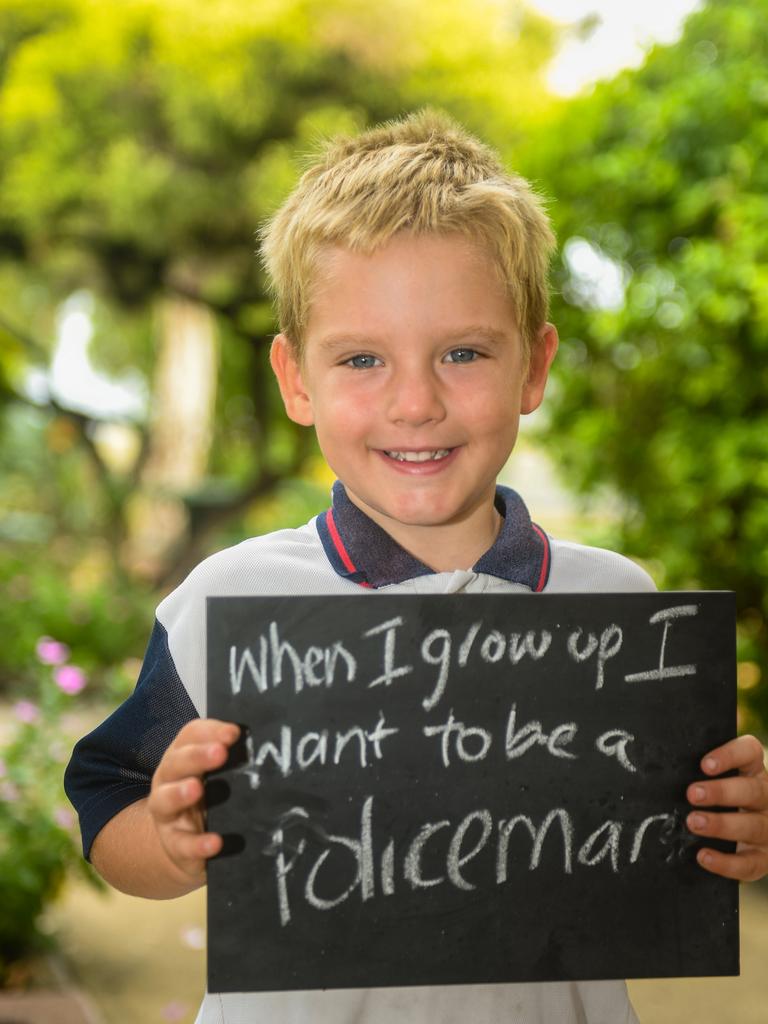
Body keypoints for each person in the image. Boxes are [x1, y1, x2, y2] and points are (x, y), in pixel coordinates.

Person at [65, 110, 768, 1024]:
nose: (415, 402)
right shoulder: (226, 603)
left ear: (534, 367)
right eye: (362, 358)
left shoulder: (624, 616)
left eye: (463, 353)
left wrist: (738, 827)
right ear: (296, 381)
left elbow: (679, 832)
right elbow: (108, 797)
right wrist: (166, 844)